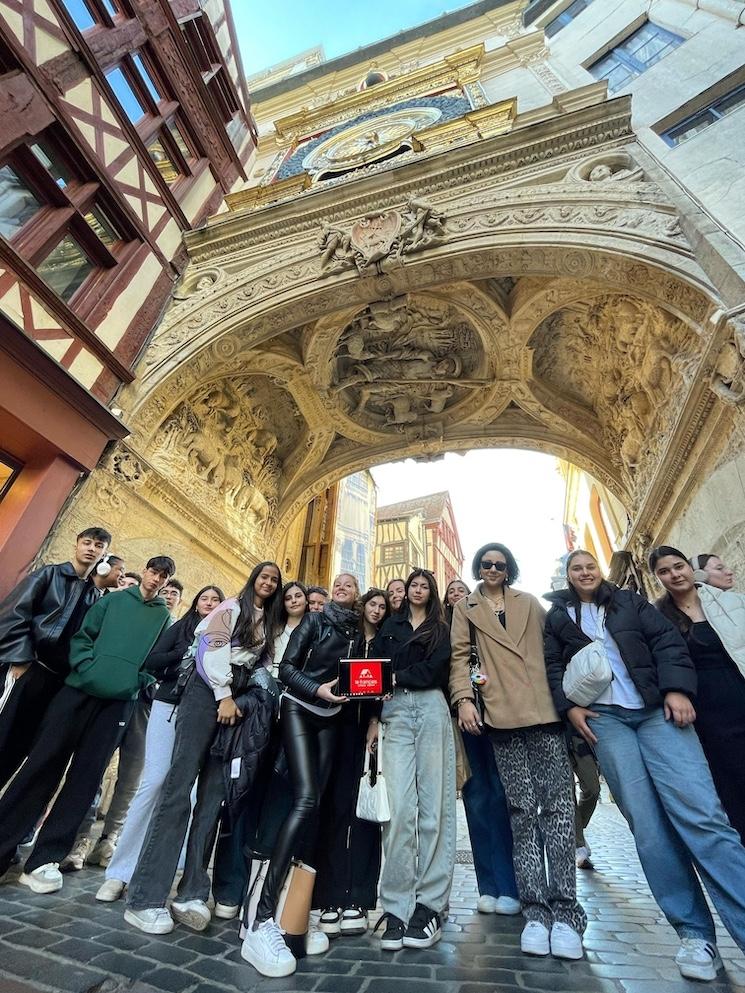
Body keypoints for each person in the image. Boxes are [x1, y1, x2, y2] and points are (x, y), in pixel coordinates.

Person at [544, 548, 745, 982]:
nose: (584, 572)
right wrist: (570, 708)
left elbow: (666, 641)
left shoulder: (630, 602)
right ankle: (694, 935)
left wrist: (676, 689)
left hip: (656, 712)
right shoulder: (558, 617)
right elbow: (552, 665)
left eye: (589, 566)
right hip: (607, 721)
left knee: (704, 817)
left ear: (598, 571)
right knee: (649, 830)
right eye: (575, 568)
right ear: (567, 575)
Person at [0, 556, 175, 893]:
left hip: (118, 703)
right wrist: (87, 665)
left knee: (86, 778)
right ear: (147, 572)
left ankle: (44, 860)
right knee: (42, 764)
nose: (156, 579)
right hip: (77, 691)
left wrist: (135, 681)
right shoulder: (112, 600)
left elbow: (157, 658)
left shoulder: (163, 617)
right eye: (153, 571)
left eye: (163, 576)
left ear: (167, 582)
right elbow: (83, 635)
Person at [125, 563, 282, 935]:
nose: (268, 583)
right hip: (207, 692)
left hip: (238, 697)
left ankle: (192, 891)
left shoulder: (268, 623)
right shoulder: (229, 608)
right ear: (253, 579)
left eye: (275, 580)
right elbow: (212, 649)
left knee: (213, 797)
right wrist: (225, 695)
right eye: (264, 576)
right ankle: (145, 896)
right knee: (179, 789)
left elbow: (264, 666)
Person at [451, 543, 586, 961]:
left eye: (500, 564)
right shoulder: (467, 608)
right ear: (479, 567)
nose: (493, 568)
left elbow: (557, 645)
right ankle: (535, 911)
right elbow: (459, 659)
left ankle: (566, 913)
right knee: (522, 813)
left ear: (509, 569)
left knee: (560, 811)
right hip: (501, 715)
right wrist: (465, 700)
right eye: (486, 563)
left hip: (543, 710)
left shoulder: (529, 603)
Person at [241, 573, 360, 979]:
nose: (343, 586)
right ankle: (260, 917)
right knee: (304, 799)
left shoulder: (356, 630)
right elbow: (287, 669)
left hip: (333, 716)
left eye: (351, 584)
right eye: (338, 582)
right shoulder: (315, 619)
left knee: (317, 808)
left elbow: (357, 675)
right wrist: (318, 690)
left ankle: (294, 916)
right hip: (300, 707)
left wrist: (370, 690)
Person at [95, 585, 225, 903]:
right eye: (204, 598)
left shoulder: (223, 636)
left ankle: (160, 870)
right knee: (153, 782)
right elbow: (152, 660)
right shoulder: (181, 628)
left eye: (216, 600)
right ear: (195, 603)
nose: (209, 603)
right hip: (169, 707)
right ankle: (119, 871)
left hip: (201, 713)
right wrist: (187, 654)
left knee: (185, 791)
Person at [210, 580, 309, 918]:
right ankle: (229, 888)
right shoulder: (268, 628)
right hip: (256, 715)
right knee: (242, 795)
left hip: (293, 722)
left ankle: (261, 890)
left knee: (278, 803)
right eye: (289, 596)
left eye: (301, 596)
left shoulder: (314, 631)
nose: (294, 600)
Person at [372, 570, 455, 952]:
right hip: (394, 712)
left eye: (425, 585)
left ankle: (430, 904)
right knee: (400, 809)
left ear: (431, 592)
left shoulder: (441, 627)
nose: (418, 589)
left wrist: (393, 676)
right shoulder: (391, 624)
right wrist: (373, 716)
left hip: (430, 705)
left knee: (435, 809)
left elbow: (437, 669)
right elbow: (373, 667)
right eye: (413, 585)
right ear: (406, 592)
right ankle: (396, 905)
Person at [0, 526, 112, 789]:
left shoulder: (96, 596)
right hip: (29, 667)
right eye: (87, 542)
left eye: (98, 546)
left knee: (21, 745)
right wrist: (20, 658)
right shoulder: (50, 574)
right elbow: (15, 614)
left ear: (104, 555)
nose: (91, 549)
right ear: (76, 544)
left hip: (59, 682)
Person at [652, 546, 745, 841]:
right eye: (664, 571)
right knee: (731, 779)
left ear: (690, 568)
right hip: (706, 711)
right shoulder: (658, 617)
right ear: (658, 578)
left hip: (739, 691)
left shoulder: (729, 601)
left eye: (678, 566)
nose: (674, 574)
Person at [444, 578, 520, 916]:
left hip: (502, 713)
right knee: (478, 797)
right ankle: (488, 885)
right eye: (452, 592)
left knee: (504, 795)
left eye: (463, 590)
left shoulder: (494, 621)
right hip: (463, 716)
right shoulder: (444, 629)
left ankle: (512, 884)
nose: (458, 595)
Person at [315, 587, 388, 937]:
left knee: (365, 812)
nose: (376, 610)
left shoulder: (387, 640)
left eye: (382, 606)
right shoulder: (348, 637)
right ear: (362, 607)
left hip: (370, 732)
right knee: (334, 808)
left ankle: (358, 898)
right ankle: (329, 896)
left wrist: (375, 718)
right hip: (337, 726)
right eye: (372, 604)